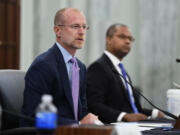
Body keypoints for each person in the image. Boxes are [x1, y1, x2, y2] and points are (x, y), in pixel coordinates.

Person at [20, 8, 99, 126]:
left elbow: (81, 111)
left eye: (84, 27)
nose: (82, 32)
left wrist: (93, 122)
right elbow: (34, 116)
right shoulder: (43, 65)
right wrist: (78, 124)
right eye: (75, 26)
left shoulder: (80, 67)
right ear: (58, 31)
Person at [87, 23, 164, 123]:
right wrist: (123, 116)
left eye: (130, 39)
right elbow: (93, 105)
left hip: (135, 125)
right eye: (122, 37)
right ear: (109, 39)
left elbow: (132, 109)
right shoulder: (98, 67)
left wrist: (154, 113)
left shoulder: (121, 70)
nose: (128, 41)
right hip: (114, 128)